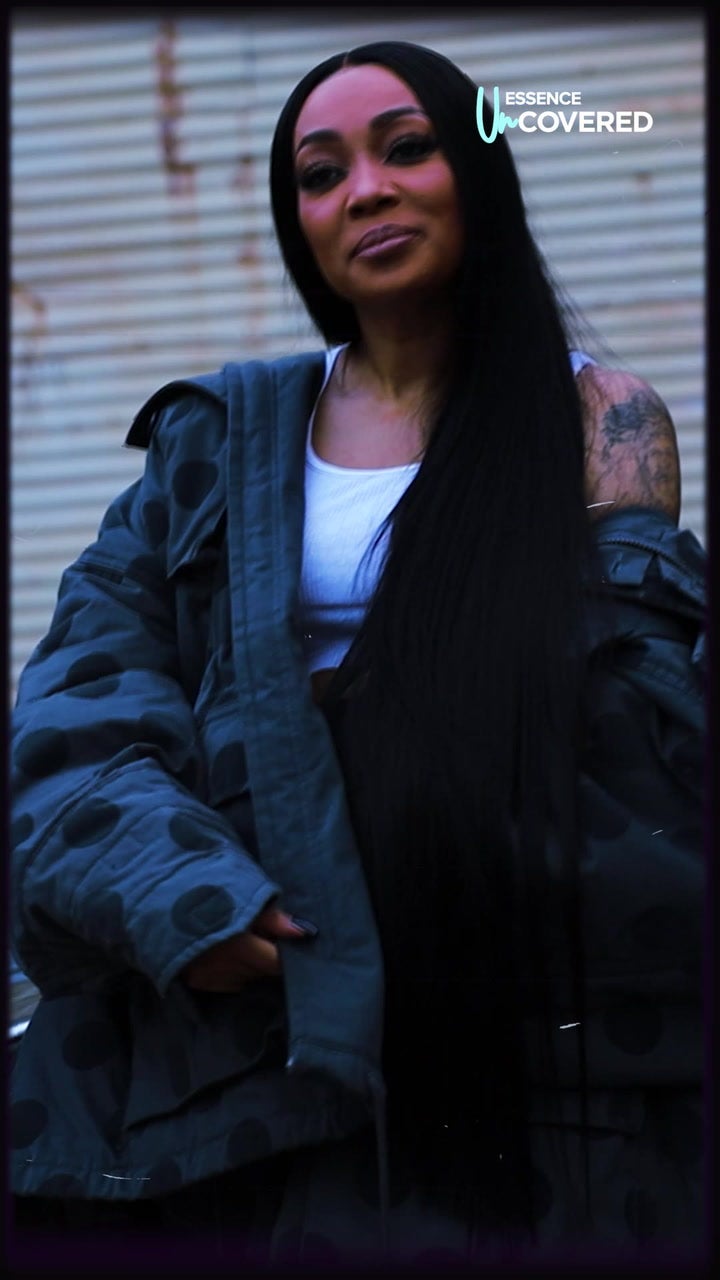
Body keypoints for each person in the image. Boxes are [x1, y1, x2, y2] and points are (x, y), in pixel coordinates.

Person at [9, 41, 706, 1267]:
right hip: (255, 1005)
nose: (365, 191)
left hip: (516, 1022)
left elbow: (637, 722)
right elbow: (81, 696)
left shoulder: (602, 419)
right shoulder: (212, 442)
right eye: (320, 174)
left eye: (407, 148)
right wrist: (183, 892)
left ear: (478, 173)